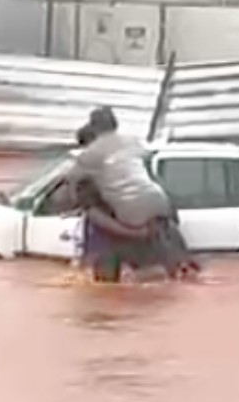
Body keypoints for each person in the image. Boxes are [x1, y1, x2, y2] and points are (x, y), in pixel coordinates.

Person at [67, 107, 198, 280]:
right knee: (172, 274)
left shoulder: (89, 162)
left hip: (128, 222)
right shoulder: (133, 144)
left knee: (107, 279)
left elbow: (73, 185)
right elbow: (148, 168)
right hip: (162, 209)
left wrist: (134, 233)